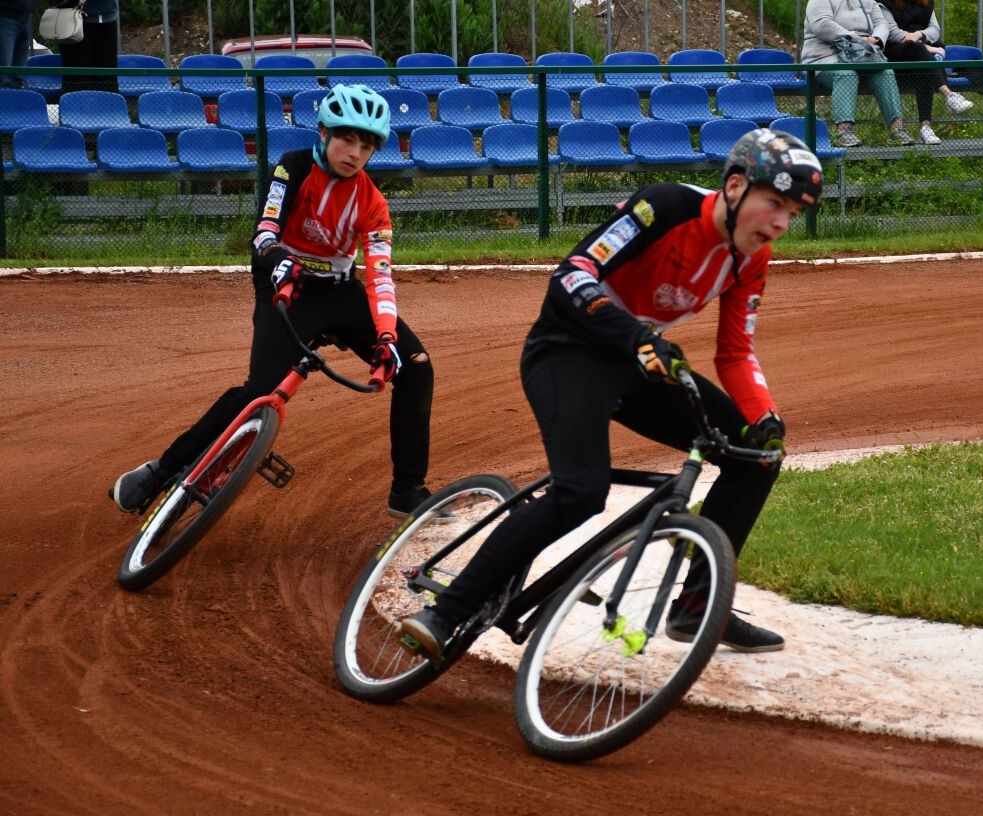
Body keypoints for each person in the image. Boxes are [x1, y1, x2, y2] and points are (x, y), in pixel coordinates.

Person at [399, 128, 824, 661]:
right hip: (567, 350)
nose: (782, 223)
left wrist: (764, 416)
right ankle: (445, 612)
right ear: (736, 186)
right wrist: (636, 338)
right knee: (581, 491)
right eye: (775, 203)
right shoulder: (665, 206)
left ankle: (698, 605)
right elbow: (573, 274)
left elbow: (735, 351)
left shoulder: (750, 258)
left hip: (638, 363)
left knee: (755, 456)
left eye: (793, 213)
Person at [110, 84, 443, 522]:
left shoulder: (373, 203)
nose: (355, 153)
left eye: (366, 146)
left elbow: (380, 276)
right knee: (259, 392)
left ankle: (407, 491)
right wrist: (279, 259)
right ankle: (160, 472)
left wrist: (385, 333)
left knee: (416, 367)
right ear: (323, 132)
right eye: (347, 139)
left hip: (340, 293)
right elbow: (265, 231)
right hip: (284, 282)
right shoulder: (293, 167)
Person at [801, 0, 915, 147]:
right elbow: (821, 24)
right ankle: (844, 131)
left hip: (862, 55)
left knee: (885, 71)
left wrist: (876, 39)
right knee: (846, 72)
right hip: (825, 57)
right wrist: (855, 38)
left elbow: (882, 24)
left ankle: (897, 129)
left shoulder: (870, 1)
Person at [878, 0, 973, 145]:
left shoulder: (926, 3)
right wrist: (929, 48)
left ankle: (926, 128)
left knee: (924, 67)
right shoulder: (884, 3)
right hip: (897, 51)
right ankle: (948, 95)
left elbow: (935, 29)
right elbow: (893, 33)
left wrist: (919, 35)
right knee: (922, 53)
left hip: (922, 51)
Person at [58, 0, 117, 92]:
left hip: (105, 17)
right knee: (76, 76)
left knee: (105, 77)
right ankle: (74, 103)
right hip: (70, 18)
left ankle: (107, 104)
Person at [0, 0, 33, 88]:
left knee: (19, 78)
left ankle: (19, 99)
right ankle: (4, 100)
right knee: (3, 74)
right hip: (4, 17)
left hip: (26, 19)